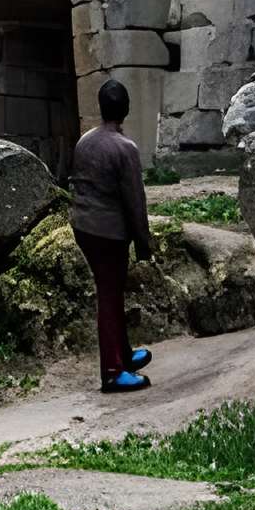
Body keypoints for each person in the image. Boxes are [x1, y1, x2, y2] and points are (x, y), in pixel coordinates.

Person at [69, 78, 155, 393]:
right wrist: (145, 245)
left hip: (83, 227)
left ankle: (125, 354)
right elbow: (135, 201)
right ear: (127, 109)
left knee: (112, 291)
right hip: (108, 233)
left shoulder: (84, 141)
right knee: (109, 296)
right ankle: (112, 371)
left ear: (101, 107)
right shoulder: (125, 148)